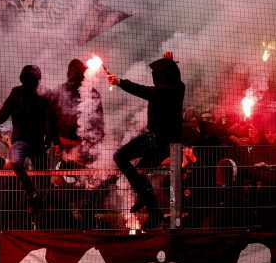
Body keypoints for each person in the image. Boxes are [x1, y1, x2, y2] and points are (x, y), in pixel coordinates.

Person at [107, 52, 185, 214]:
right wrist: (169, 62)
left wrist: (120, 82)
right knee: (141, 172)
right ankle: (153, 209)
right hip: (167, 143)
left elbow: (143, 91)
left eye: (157, 74)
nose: (154, 77)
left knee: (120, 156)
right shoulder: (178, 86)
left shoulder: (166, 91)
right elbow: (172, 76)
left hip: (157, 138)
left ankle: (146, 198)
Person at [0, 65, 51, 214]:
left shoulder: (44, 95)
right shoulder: (16, 93)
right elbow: (3, 112)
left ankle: (39, 205)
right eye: (27, 80)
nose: (30, 84)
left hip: (38, 142)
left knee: (45, 176)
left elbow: (48, 118)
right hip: (21, 140)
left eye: (32, 81)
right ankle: (32, 194)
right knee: (15, 161)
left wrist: (50, 138)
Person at [49, 59, 105, 158]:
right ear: (84, 73)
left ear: (68, 73)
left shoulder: (57, 91)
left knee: (63, 171)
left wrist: (56, 142)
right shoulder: (93, 92)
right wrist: (98, 142)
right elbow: (99, 121)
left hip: (64, 143)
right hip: (87, 145)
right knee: (87, 172)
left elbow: (50, 120)